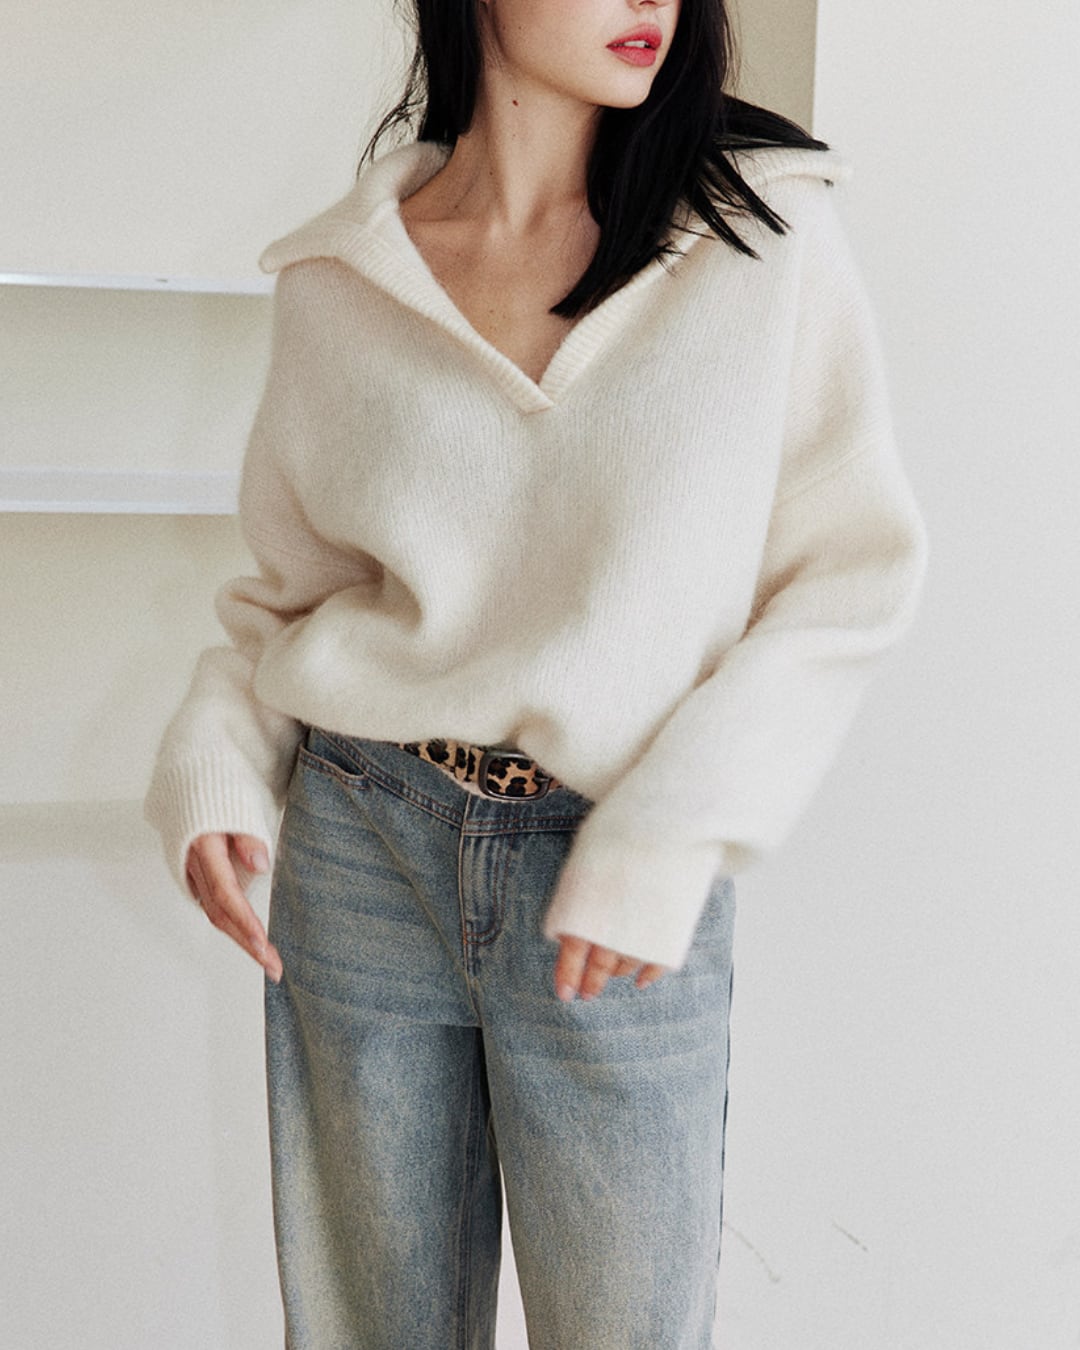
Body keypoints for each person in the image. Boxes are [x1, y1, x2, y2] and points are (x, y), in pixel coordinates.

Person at [145, 0, 928, 1344]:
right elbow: (294, 602)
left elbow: (848, 580)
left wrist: (669, 834)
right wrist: (216, 763)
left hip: (610, 868)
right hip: (364, 839)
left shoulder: (759, 235)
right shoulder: (342, 277)